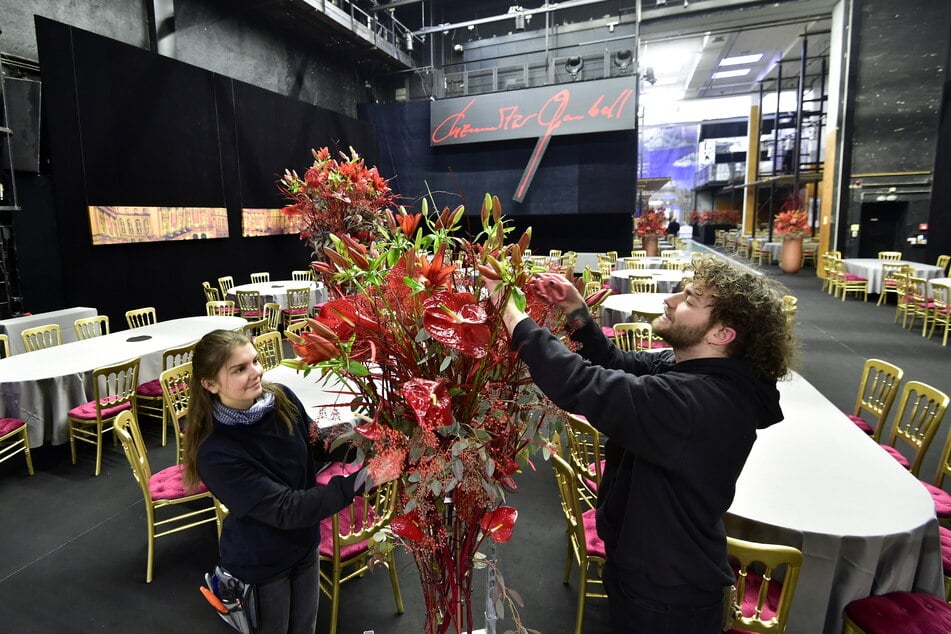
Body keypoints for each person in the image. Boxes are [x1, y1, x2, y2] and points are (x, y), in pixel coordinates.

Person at [485, 256, 794, 633]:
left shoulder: (697, 401)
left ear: (721, 334)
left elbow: (580, 383)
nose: (671, 299)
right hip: (655, 569)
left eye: (691, 300)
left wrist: (511, 312)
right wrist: (576, 310)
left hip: (668, 595)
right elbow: (613, 361)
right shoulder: (692, 368)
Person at [182, 329, 374, 634]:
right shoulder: (215, 451)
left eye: (255, 361)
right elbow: (286, 508)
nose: (256, 372)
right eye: (239, 369)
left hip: (303, 545)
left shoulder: (280, 398)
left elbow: (317, 443)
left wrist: (363, 437)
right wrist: (361, 481)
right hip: (262, 563)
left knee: (305, 627)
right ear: (209, 384)